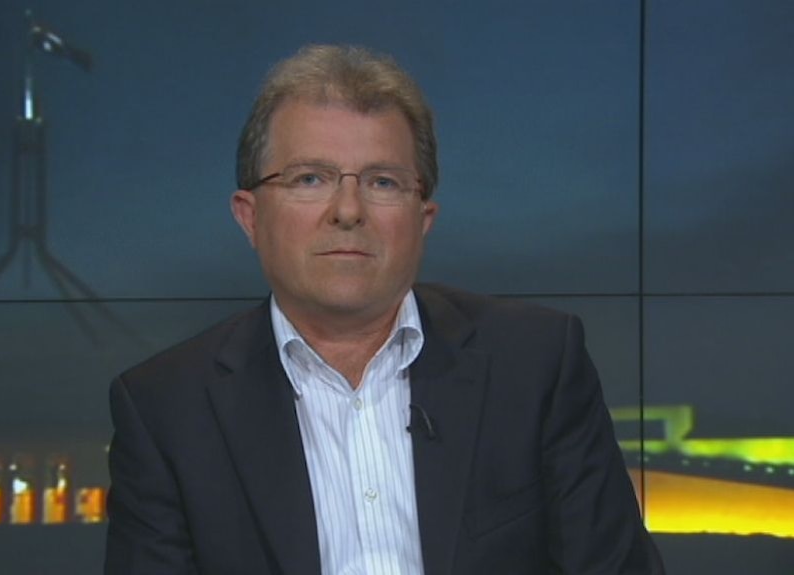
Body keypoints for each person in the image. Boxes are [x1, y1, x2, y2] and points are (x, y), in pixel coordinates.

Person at [104, 44, 665, 575]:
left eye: (382, 181)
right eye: (310, 178)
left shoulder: (537, 363)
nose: (348, 210)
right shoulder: (165, 409)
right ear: (249, 217)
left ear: (423, 219)